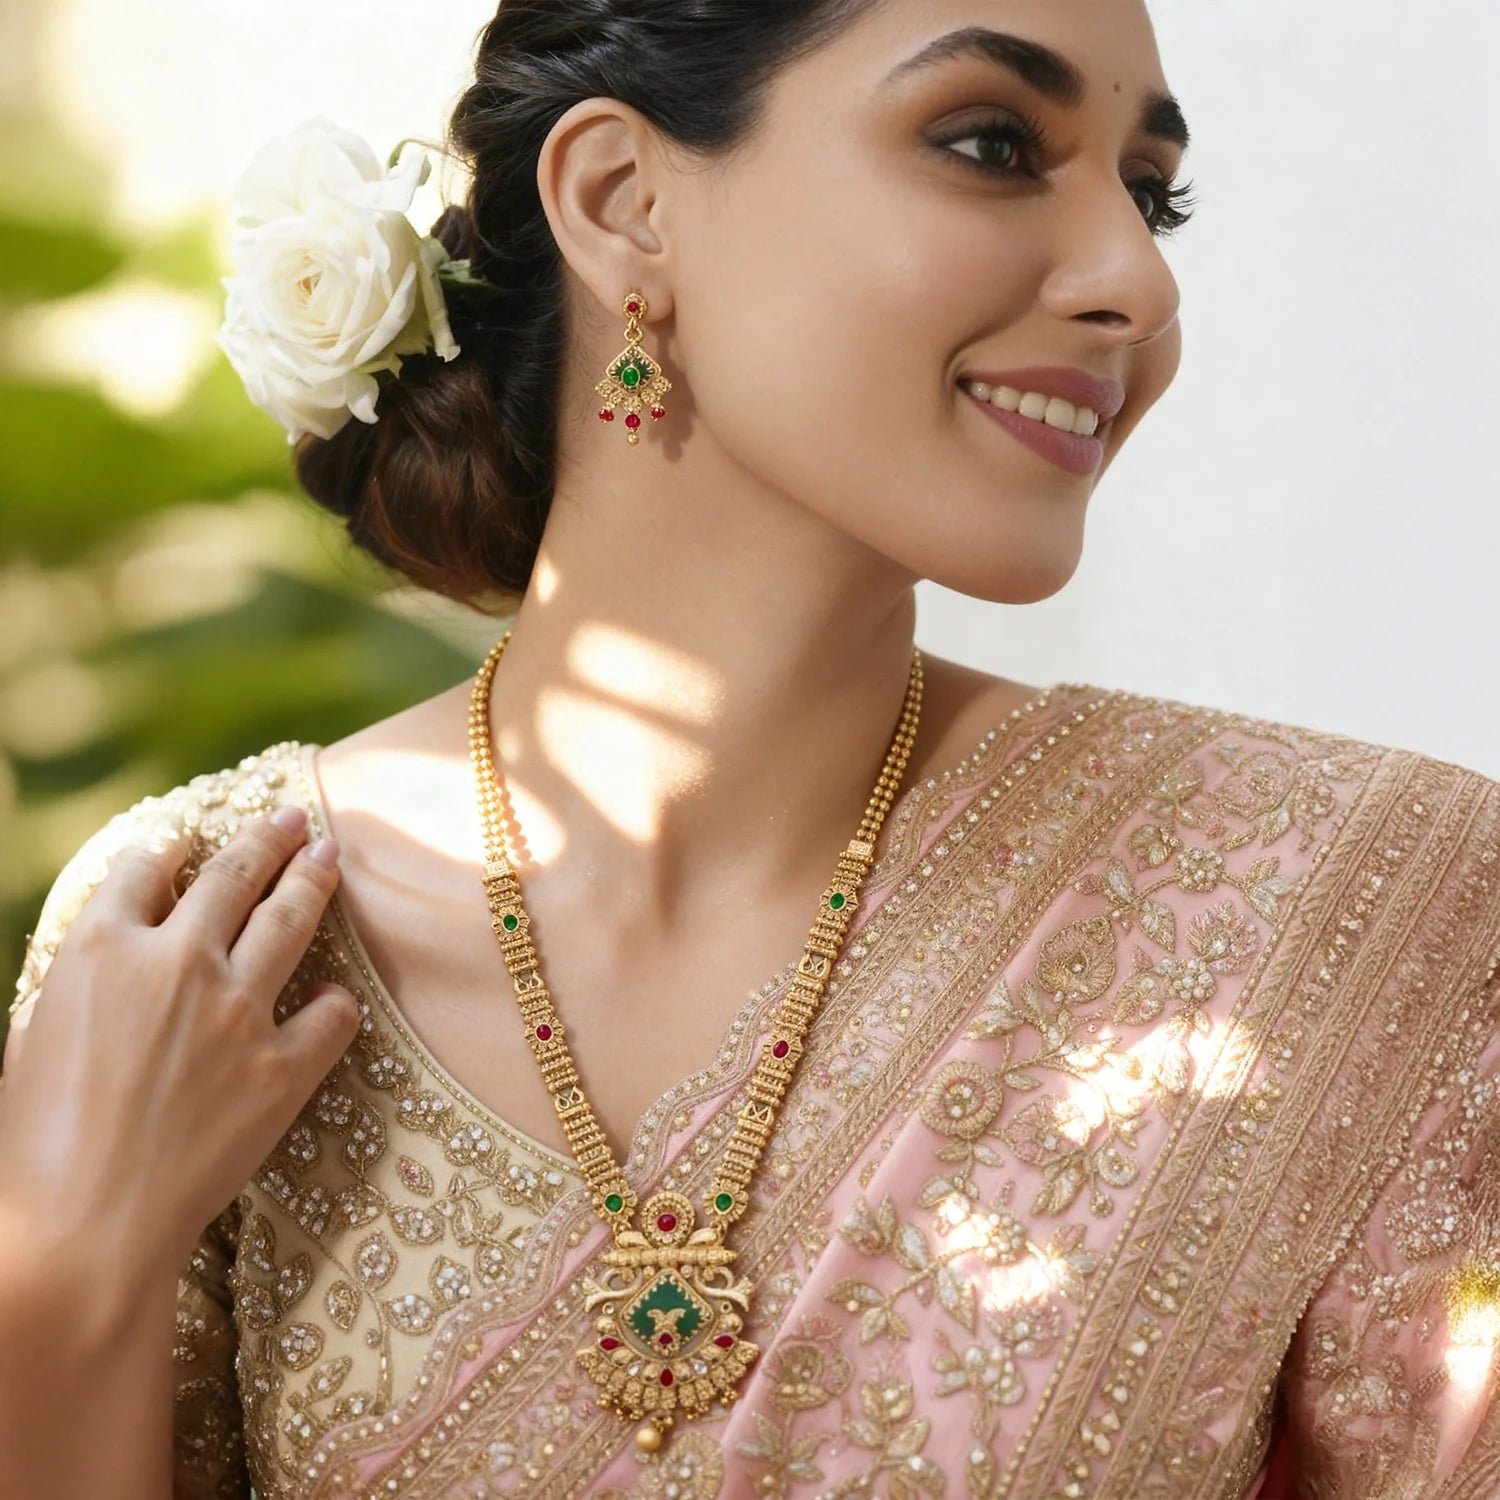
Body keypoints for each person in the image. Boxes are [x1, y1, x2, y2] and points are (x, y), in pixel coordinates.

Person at [2, 0, 1497, 1495]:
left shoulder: (1357, 912)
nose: (1137, 281)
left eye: (1150, 195)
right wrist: (69, 1265)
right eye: (993, 145)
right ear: (622, 202)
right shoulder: (206, 938)